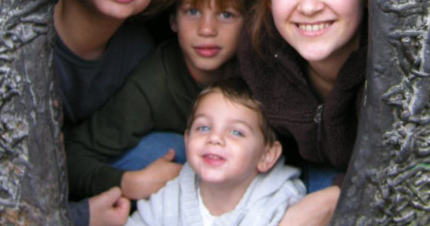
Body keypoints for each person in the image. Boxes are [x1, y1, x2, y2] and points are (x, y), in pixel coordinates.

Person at [64, 0, 256, 203]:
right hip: (166, 181)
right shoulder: (156, 80)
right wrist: (126, 183)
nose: (207, 29)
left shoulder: (261, 75)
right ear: (173, 20)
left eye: (226, 14)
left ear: (251, 22)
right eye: (192, 11)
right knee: (172, 149)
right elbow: (71, 155)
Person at [53, 0, 185, 226]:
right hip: (29, 187)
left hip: (84, 173)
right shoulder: (29, 33)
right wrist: (79, 218)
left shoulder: (136, 48)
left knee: (176, 148)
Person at [237, 0, 367, 224]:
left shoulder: (395, 63)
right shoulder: (261, 53)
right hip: (292, 174)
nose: (308, 5)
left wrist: (336, 196)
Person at [127, 78, 307, 225]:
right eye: (204, 128)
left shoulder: (279, 204)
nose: (214, 138)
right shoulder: (173, 196)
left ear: (266, 155)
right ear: (187, 140)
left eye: (236, 132)